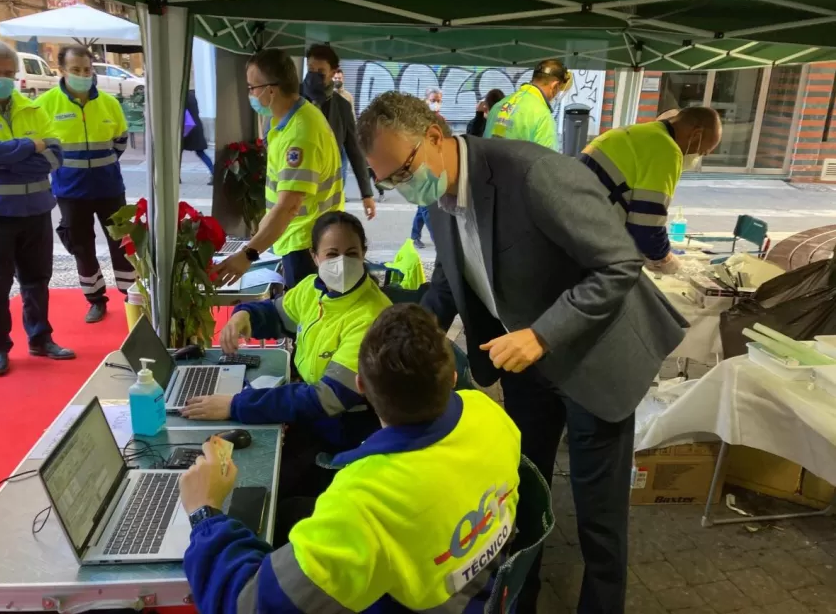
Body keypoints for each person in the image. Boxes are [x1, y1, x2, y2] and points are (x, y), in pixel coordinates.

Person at [358, 91, 687, 614]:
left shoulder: (531, 174)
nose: (402, 187)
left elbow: (620, 264)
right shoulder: (436, 199)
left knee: (598, 515)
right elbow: (448, 287)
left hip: (590, 356)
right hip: (525, 367)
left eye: (404, 170)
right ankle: (519, 599)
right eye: (388, 181)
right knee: (524, 493)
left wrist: (542, 334)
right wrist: (389, 353)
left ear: (436, 136)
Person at [180, 303, 521, 613]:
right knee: (289, 512)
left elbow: (245, 604)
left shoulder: (365, 501)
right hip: (478, 591)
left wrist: (204, 512)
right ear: (453, 378)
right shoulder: (491, 415)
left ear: (361, 386)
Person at [183, 211, 390, 499]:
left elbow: (325, 399)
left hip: (341, 435)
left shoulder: (371, 317)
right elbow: (278, 314)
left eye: (351, 253)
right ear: (314, 256)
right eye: (331, 254)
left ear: (364, 253)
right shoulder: (313, 289)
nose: (341, 263)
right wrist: (244, 316)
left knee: (257, 488)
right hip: (311, 418)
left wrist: (236, 406)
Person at [215, 49, 343, 289]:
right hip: (303, 239)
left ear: (270, 90)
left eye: (252, 87)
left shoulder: (299, 134)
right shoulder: (293, 119)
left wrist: (247, 255)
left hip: (306, 245)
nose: (250, 94)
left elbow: (288, 207)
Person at [0, 40, 74, 376]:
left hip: (36, 211)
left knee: (37, 280)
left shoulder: (34, 108)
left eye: (8, 73)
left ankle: (40, 338)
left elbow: (53, 157)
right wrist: (28, 147)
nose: (2, 79)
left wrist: (3, 159)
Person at [38, 45, 135, 324]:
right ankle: (95, 300)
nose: (83, 75)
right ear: (62, 71)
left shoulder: (109, 103)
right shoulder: (46, 104)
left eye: (87, 69)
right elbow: (43, 146)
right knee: (82, 247)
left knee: (122, 244)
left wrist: (102, 163)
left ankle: (133, 297)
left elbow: (120, 140)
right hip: (70, 191)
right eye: (75, 70)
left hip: (109, 188)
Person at [579, 107, 722, 275]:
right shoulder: (667, 149)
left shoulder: (639, 132)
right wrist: (666, 260)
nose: (697, 158)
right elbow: (646, 227)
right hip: (591, 243)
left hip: (578, 225)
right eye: (702, 152)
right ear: (696, 135)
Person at [302, 45, 376, 221]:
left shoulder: (342, 106)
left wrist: (367, 194)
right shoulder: (291, 97)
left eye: (321, 71)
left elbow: (354, 150)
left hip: (328, 191)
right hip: (296, 185)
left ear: (333, 72)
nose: (314, 75)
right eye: (311, 69)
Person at [484, 59, 573, 149]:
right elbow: (548, 161)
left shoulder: (498, 106)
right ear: (555, 86)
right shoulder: (542, 117)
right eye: (558, 91)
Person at [409, 86, 443, 249]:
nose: (436, 104)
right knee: (428, 206)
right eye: (433, 100)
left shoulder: (440, 119)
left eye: (438, 101)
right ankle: (437, 239)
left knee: (423, 205)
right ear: (425, 100)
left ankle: (414, 236)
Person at [182, 89, 213, 185]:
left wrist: (183, 134)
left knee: (177, 153)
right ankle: (214, 173)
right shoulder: (191, 95)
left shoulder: (183, 97)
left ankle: (175, 176)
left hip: (188, 127)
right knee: (200, 152)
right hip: (196, 126)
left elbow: (185, 114)